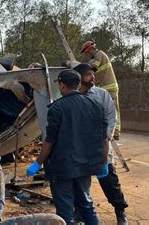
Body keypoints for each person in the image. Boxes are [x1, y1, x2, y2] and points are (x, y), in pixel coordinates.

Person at [26, 69, 109, 224]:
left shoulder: (57, 108)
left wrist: (37, 163)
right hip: (86, 166)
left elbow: (49, 141)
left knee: (64, 209)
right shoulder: (96, 105)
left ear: (62, 85)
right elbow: (104, 140)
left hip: (62, 167)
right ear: (78, 85)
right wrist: (103, 163)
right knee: (86, 204)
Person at [74, 63, 128, 224]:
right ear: (79, 77)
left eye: (93, 74)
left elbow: (111, 116)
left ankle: (120, 211)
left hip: (100, 145)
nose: (93, 77)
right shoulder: (71, 96)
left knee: (109, 181)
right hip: (79, 148)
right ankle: (80, 212)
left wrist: (105, 136)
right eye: (88, 74)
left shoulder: (101, 94)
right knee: (80, 182)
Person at [80, 40, 122, 140]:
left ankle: (114, 133)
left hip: (109, 87)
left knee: (111, 111)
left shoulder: (99, 54)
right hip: (106, 87)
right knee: (112, 109)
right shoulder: (98, 56)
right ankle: (115, 132)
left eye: (86, 53)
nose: (86, 55)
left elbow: (91, 67)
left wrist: (76, 66)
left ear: (89, 50)